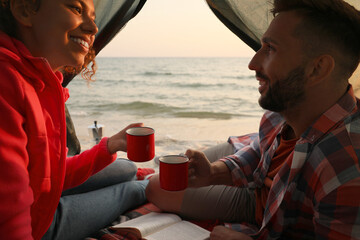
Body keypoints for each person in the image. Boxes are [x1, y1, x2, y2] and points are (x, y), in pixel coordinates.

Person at [146, 0, 360, 239]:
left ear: (317, 68)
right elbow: (261, 151)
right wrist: (213, 173)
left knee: (154, 187)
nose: (252, 63)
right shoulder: (288, 106)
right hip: (254, 170)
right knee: (159, 184)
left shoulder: (345, 169)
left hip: (264, 200)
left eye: (270, 49)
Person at [0, 0, 148, 239]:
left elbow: (47, 173)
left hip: (40, 202)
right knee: (132, 190)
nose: (93, 28)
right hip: (36, 224)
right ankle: (150, 187)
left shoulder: (40, 82)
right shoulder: (7, 82)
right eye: (77, 9)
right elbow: (10, 218)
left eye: (93, 16)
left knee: (128, 168)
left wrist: (110, 146)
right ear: (25, 10)